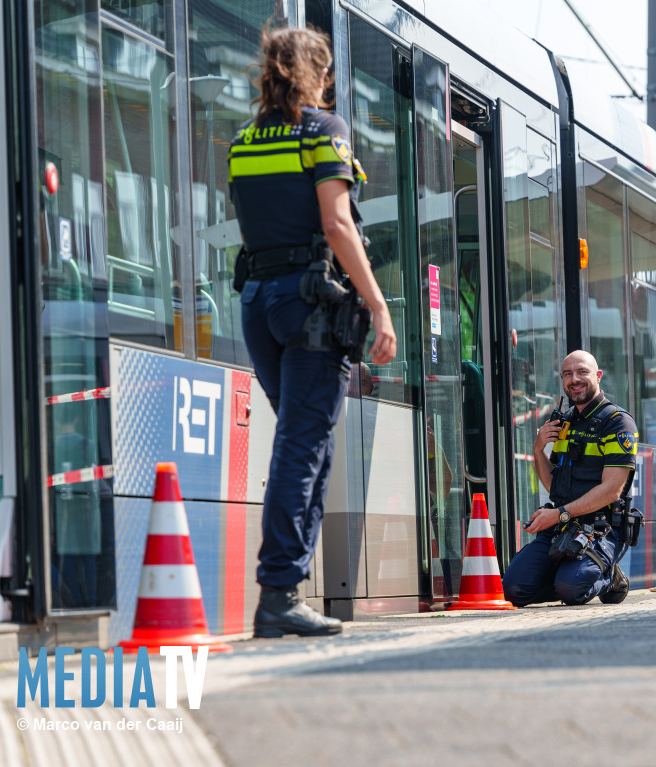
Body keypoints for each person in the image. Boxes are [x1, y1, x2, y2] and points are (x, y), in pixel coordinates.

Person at [228, 27, 396, 637]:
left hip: (258, 302)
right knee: (303, 446)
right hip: (313, 306)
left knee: (305, 442)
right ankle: (277, 594)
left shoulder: (245, 139)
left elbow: (252, 230)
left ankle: (286, 590)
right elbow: (336, 224)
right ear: (319, 76)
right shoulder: (322, 131)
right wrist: (378, 306)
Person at [502, 350, 638, 606]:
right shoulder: (564, 422)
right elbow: (555, 485)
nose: (574, 379)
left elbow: (612, 491)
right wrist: (537, 449)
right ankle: (569, 575)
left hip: (602, 529)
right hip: (561, 528)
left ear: (597, 376)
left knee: (571, 590)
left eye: (582, 372)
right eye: (568, 374)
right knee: (514, 590)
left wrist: (560, 513)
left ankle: (610, 578)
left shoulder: (618, 423)